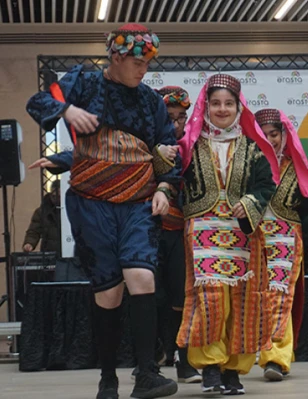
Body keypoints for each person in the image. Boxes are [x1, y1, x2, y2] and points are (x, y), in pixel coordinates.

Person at [26, 23, 179, 399]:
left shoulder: (150, 101)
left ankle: (147, 373)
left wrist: (163, 188)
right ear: (116, 56)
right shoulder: (86, 82)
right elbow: (37, 102)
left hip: (138, 203)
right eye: (137, 62)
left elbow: (168, 149)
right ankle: (108, 378)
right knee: (108, 293)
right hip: (92, 206)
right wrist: (67, 110)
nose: (143, 70)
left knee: (142, 277)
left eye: (148, 63)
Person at [176, 74, 279, 395]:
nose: (222, 109)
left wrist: (249, 203)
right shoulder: (189, 144)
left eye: (228, 104)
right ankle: (209, 366)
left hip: (241, 234)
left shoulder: (253, 147)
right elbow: (171, 178)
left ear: (239, 107)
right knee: (210, 300)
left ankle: (233, 370)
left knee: (242, 302)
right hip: (203, 230)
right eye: (216, 103)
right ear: (206, 106)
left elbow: (266, 185)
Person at [254, 108, 308, 381]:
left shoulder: (298, 168)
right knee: (254, 299)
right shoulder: (249, 167)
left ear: (285, 134)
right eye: (263, 135)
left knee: (279, 297)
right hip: (252, 243)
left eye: (274, 134)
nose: (270, 139)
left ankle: (275, 358)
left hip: (287, 242)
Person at [150, 86, 201, 383]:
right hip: (148, 231)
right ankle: (152, 358)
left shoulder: (193, 147)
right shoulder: (142, 144)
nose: (177, 123)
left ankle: (184, 359)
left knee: (183, 297)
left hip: (182, 232)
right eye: (170, 117)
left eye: (182, 117)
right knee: (150, 296)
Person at [22, 180, 61, 254]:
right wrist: (29, 243)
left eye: (59, 196)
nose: (56, 199)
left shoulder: (73, 209)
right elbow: (34, 231)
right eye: (53, 196)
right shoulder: (42, 212)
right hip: (49, 253)